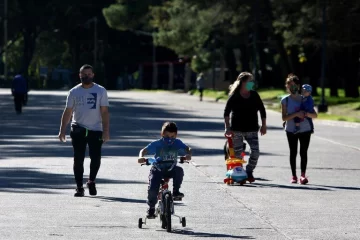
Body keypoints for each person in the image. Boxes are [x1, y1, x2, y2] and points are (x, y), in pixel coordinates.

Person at [58, 64, 110, 197]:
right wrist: (62, 130)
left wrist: (106, 131)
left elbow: (104, 112)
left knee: (96, 158)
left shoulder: (101, 91)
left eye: (89, 74)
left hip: (96, 129)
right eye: (84, 74)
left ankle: (91, 181)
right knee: (78, 159)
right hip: (78, 129)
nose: (86, 76)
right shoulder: (74, 92)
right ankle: (79, 187)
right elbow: (68, 111)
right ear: (79, 75)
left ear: (93, 75)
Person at [138, 122, 192, 219]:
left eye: (172, 136)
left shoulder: (177, 143)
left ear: (176, 135)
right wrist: (141, 157)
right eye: (167, 136)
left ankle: (176, 191)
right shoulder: (157, 144)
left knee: (179, 170)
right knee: (153, 188)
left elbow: (187, 148)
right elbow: (144, 150)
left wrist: (188, 154)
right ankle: (151, 208)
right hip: (158, 169)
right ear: (162, 134)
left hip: (170, 168)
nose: (169, 138)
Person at [223, 72, 267, 183]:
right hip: (237, 130)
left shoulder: (254, 95)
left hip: (252, 129)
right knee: (238, 155)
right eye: (249, 81)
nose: (252, 83)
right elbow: (226, 113)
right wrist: (227, 128)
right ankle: (239, 173)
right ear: (243, 82)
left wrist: (264, 125)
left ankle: (249, 171)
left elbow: (262, 110)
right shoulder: (235, 96)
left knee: (255, 152)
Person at [281, 74, 317, 184]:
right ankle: (293, 176)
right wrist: (296, 114)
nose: (292, 87)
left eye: (294, 85)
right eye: (290, 85)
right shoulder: (285, 100)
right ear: (287, 87)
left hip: (305, 129)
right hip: (291, 129)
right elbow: (284, 117)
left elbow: (314, 115)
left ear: (298, 86)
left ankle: (303, 175)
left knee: (303, 152)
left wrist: (305, 113)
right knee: (293, 152)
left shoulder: (305, 98)